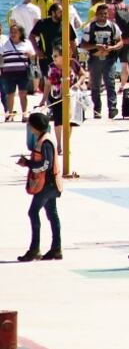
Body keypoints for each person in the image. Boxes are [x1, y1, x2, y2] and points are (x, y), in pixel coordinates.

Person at [16, 112, 63, 261]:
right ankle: (56, 248)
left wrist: (28, 163)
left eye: (30, 125)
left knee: (33, 212)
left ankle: (35, 248)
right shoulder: (42, 139)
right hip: (50, 184)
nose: (29, 128)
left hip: (47, 185)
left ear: (35, 126)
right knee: (52, 215)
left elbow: (46, 164)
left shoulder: (45, 142)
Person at [81, 3, 124, 120]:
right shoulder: (90, 27)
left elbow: (120, 42)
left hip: (109, 59)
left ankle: (112, 108)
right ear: (96, 15)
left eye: (105, 14)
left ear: (108, 14)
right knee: (95, 86)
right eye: (100, 14)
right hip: (94, 59)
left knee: (110, 83)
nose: (103, 16)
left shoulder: (113, 26)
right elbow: (83, 45)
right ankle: (97, 109)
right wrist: (96, 46)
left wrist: (112, 48)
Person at [42, 46, 83, 155]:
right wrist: (43, 99)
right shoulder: (51, 66)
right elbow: (47, 84)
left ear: (63, 56)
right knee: (58, 121)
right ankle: (59, 144)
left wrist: (78, 83)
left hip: (71, 96)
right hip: (56, 96)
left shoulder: (73, 63)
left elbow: (83, 74)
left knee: (69, 121)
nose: (53, 58)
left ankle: (66, 144)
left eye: (56, 55)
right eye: (53, 55)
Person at [30, 3, 77, 80]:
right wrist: (37, 50)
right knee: (48, 81)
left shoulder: (65, 24)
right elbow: (31, 36)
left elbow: (72, 40)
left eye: (63, 12)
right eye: (60, 12)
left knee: (63, 80)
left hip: (62, 57)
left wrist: (75, 55)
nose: (62, 14)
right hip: (46, 57)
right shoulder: (43, 23)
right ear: (53, 12)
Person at [2, 24, 36, 121]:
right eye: (11, 32)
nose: (13, 34)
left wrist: (29, 55)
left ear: (20, 33)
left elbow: (33, 57)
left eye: (15, 32)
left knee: (22, 94)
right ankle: (10, 114)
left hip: (23, 73)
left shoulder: (27, 43)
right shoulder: (6, 43)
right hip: (8, 73)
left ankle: (24, 114)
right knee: (10, 94)